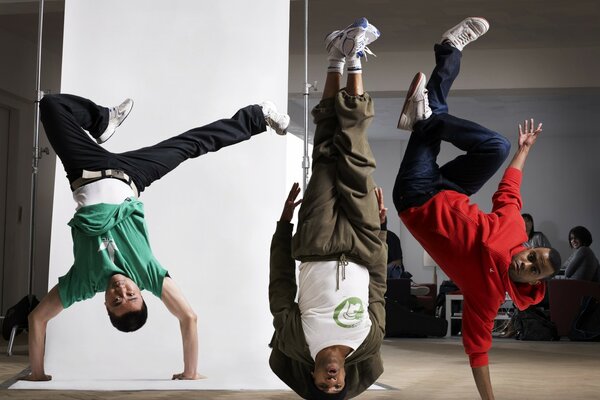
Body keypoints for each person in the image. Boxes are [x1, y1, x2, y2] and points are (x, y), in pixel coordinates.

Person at [22, 93, 290, 381]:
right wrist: (190, 372)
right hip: (133, 175)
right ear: (140, 291)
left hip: (86, 170)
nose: (121, 291)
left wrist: (37, 374)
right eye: (131, 296)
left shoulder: (83, 282)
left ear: (105, 304)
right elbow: (188, 318)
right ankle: (258, 116)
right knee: (191, 144)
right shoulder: (148, 273)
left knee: (51, 105)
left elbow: (37, 318)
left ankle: (101, 120)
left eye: (116, 301)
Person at [392, 17, 562, 399]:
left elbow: (478, 350)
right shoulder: (516, 232)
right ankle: (447, 58)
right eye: (533, 255)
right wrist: (524, 150)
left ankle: (432, 106)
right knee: (496, 147)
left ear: (534, 283)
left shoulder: (487, 296)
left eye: (534, 268)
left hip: (417, 198)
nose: (526, 261)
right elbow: (509, 192)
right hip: (451, 190)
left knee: (432, 114)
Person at [268, 17, 387, 399]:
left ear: (313, 379)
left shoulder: (295, 342)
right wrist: (381, 231)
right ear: (346, 380)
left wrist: (283, 225)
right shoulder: (367, 343)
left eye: (324, 385)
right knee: (356, 159)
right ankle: (351, 58)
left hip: (315, 244)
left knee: (325, 154)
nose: (332, 380)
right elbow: (379, 290)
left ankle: (342, 58)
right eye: (338, 385)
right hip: (364, 245)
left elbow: (281, 284)